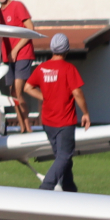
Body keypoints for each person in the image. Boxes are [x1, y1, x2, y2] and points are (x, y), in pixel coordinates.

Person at [24, 33, 90, 192]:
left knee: (63, 158)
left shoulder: (42, 68)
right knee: (64, 156)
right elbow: (77, 93)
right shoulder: (68, 69)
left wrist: (43, 96)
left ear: (52, 49)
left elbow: (27, 87)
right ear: (66, 50)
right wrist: (86, 113)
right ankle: (45, 187)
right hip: (64, 122)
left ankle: (69, 189)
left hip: (48, 122)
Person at [0, 0, 38, 133]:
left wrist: (16, 50)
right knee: (12, 93)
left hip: (22, 54)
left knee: (18, 91)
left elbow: (30, 29)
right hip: (8, 58)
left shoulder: (17, 5)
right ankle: (23, 127)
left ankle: (28, 128)